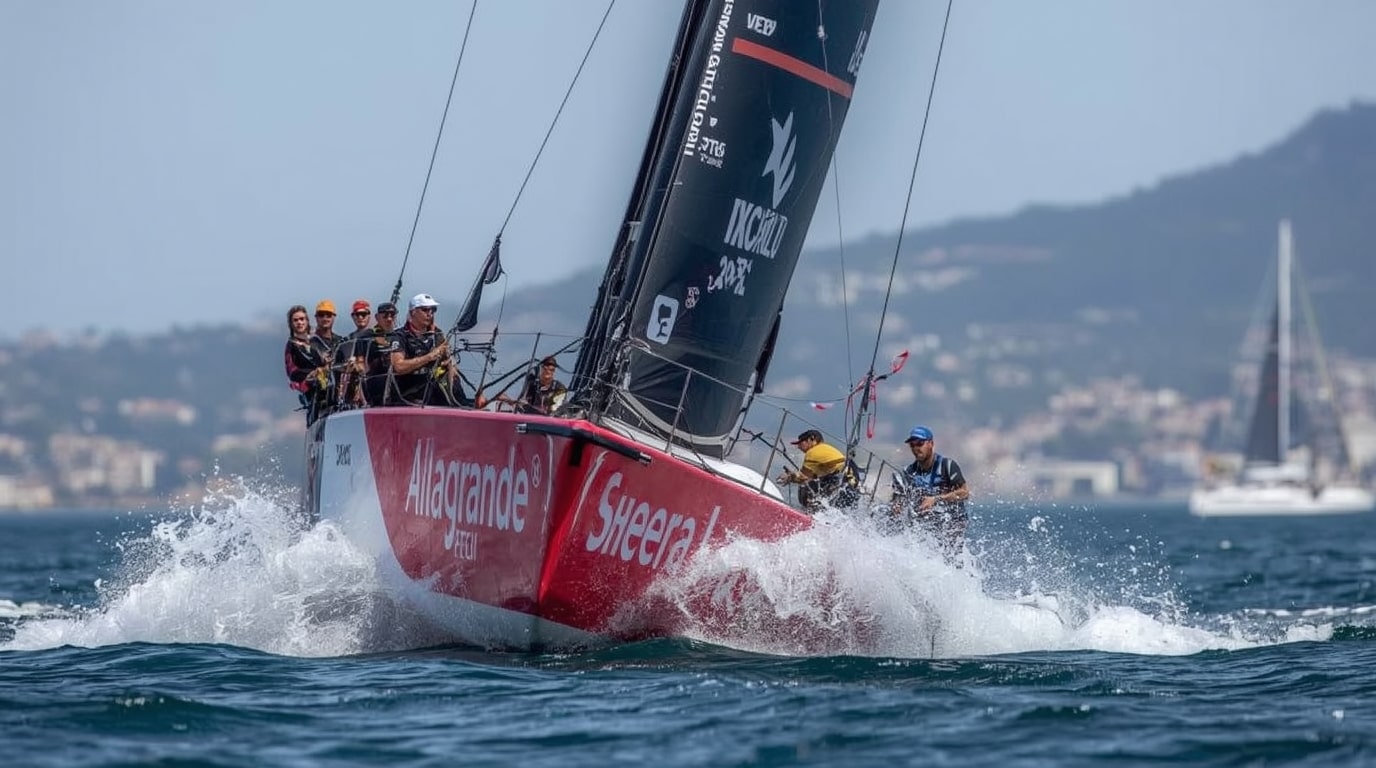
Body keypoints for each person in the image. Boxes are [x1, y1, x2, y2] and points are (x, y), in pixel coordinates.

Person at [889, 425, 970, 555]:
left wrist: (936, 499)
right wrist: (897, 506)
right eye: (912, 445)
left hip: (951, 522)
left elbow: (965, 493)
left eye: (920, 444)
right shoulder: (908, 472)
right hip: (925, 526)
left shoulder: (947, 466)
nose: (916, 448)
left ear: (931, 444)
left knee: (949, 547)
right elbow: (899, 499)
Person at [388, 293, 470, 406]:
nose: (430, 314)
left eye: (433, 310)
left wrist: (449, 361)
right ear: (413, 312)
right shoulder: (400, 336)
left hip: (436, 389)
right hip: (410, 392)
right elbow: (398, 366)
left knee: (453, 382)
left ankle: (464, 405)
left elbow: (451, 363)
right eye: (425, 310)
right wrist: (429, 357)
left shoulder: (437, 334)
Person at [777, 429, 860, 512]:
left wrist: (789, 477)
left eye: (801, 442)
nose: (798, 446)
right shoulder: (826, 449)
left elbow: (804, 477)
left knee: (807, 488)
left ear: (811, 439)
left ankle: (810, 514)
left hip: (843, 481)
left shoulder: (813, 452)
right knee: (817, 487)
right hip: (851, 483)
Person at [282, 304, 330, 425]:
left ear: (307, 321)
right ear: (291, 324)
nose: (299, 322)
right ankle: (314, 425)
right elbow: (292, 372)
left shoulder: (317, 341)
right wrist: (312, 373)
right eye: (296, 320)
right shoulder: (291, 345)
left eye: (302, 319)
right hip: (309, 386)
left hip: (328, 381)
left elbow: (329, 357)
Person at [496, 356, 567, 415]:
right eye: (545, 368)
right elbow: (522, 400)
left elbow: (552, 414)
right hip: (527, 420)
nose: (548, 371)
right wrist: (509, 400)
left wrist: (519, 404)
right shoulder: (532, 384)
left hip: (548, 426)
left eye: (551, 369)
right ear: (540, 368)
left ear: (554, 371)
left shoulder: (560, 389)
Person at [360, 301, 399, 406]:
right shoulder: (367, 336)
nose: (389, 319)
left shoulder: (400, 335)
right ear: (377, 317)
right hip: (375, 382)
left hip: (397, 382)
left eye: (392, 315)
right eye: (385, 315)